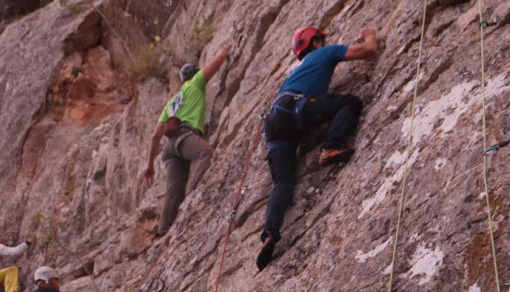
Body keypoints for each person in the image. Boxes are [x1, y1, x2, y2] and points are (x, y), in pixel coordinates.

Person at [257, 26, 379, 270]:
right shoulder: (324, 53)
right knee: (350, 102)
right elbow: (369, 51)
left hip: (275, 122)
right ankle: (331, 147)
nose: (326, 42)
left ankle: (270, 232)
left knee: (283, 182)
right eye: (322, 40)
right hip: (296, 110)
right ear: (314, 43)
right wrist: (369, 35)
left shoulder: (295, 72)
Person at [142, 44, 233, 236]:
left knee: (174, 190)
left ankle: (164, 229)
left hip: (170, 147)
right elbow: (219, 59)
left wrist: (150, 165)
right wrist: (228, 47)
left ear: (181, 79)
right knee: (205, 153)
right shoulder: (195, 84)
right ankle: (192, 199)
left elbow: (155, 136)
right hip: (185, 137)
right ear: (194, 75)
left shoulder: (171, 102)